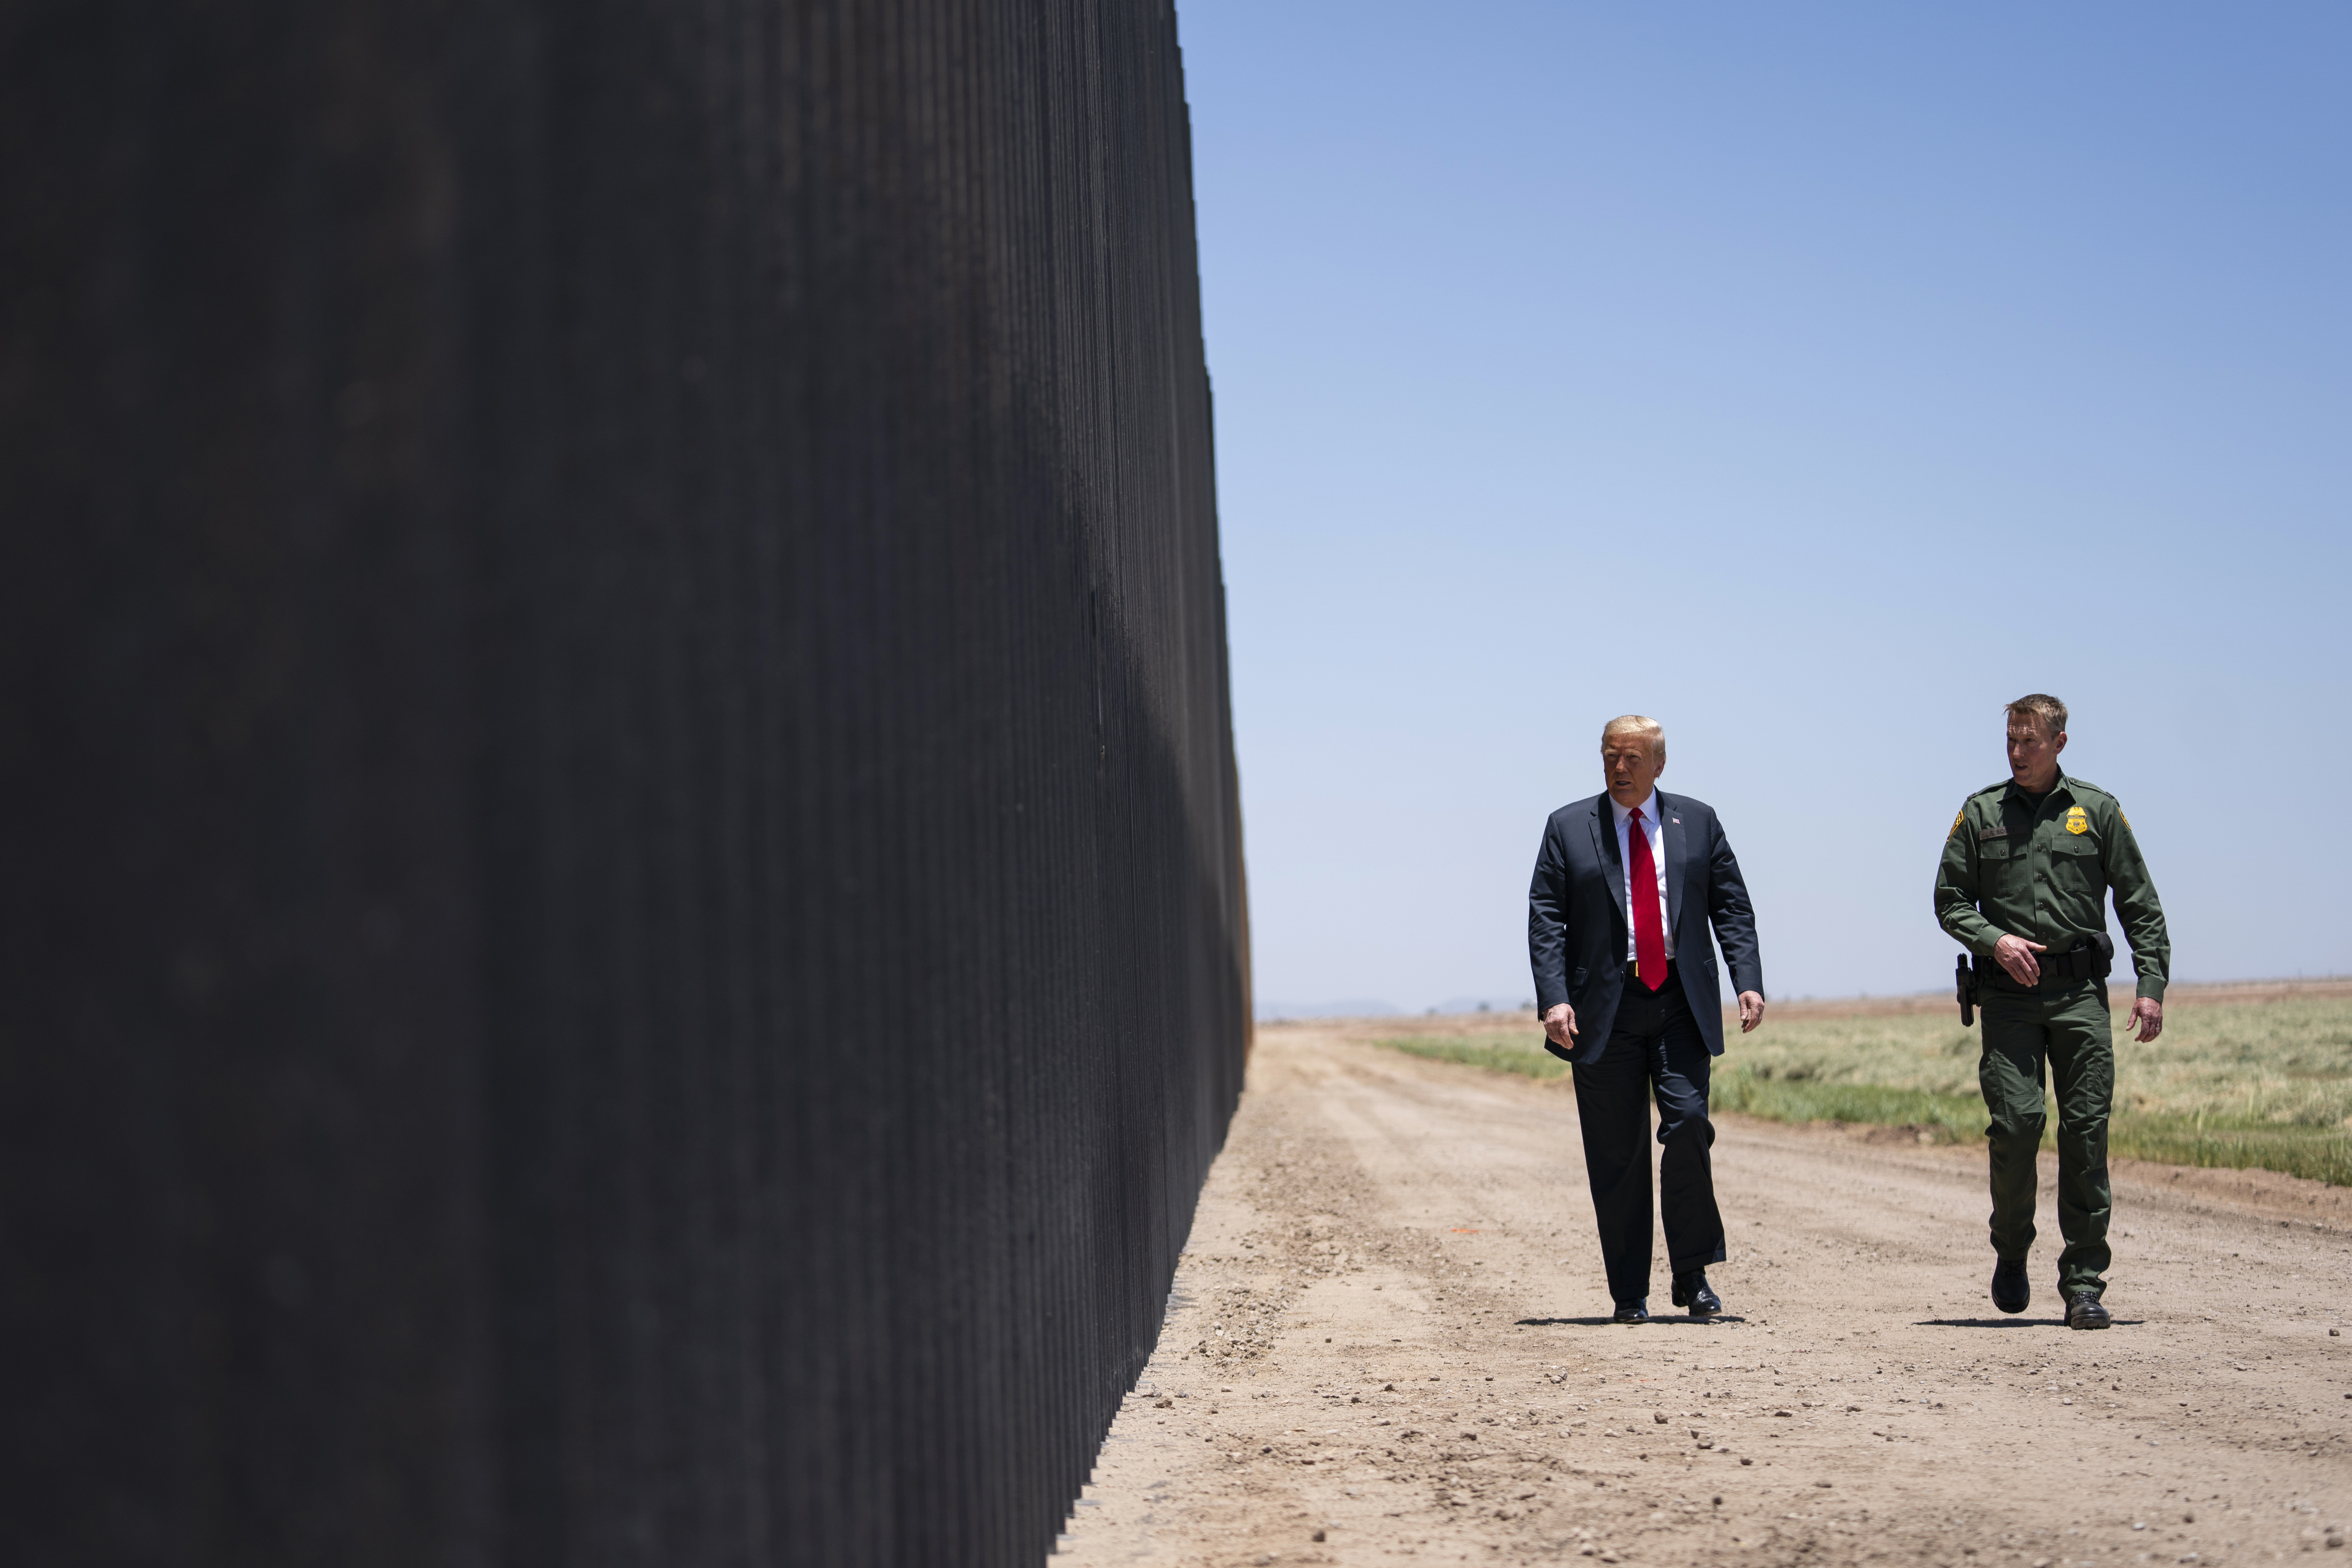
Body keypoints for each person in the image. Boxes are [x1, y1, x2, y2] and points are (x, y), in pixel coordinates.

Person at [1935, 694, 2170, 1330]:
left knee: (2086, 1135)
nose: (2017, 753)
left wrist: (2150, 984)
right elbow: (1949, 900)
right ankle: (2011, 1250)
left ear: (2060, 743)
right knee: (2016, 1127)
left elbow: (2140, 903)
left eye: (2029, 741)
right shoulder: (1980, 812)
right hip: (2008, 1000)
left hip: (2079, 999)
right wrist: (1995, 942)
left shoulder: (2096, 811)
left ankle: (2084, 1283)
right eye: (2011, 740)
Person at [1527, 715, 1765, 1323]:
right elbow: (1546, 917)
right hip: (1601, 1012)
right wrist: (1554, 999)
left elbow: (1731, 906)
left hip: (1680, 1003)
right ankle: (1629, 1292)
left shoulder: (1699, 821)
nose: (1620, 768)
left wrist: (1748, 982)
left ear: (1660, 763)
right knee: (1617, 1154)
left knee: (1688, 1125)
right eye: (1611, 756)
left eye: (1633, 758)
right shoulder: (1567, 828)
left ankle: (1693, 1273)